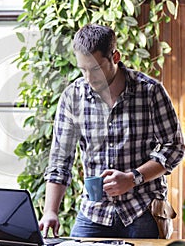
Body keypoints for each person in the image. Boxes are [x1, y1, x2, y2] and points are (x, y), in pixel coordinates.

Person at [38, 24, 185, 239]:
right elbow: (60, 161)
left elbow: (174, 147)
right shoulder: (73, 97)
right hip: (94, 213)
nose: (88, 77)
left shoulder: (150, 92)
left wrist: (132, 178)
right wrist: (50, 210)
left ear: (115, 56)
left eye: (95, 69)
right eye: (83, 69)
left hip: (143, 210)